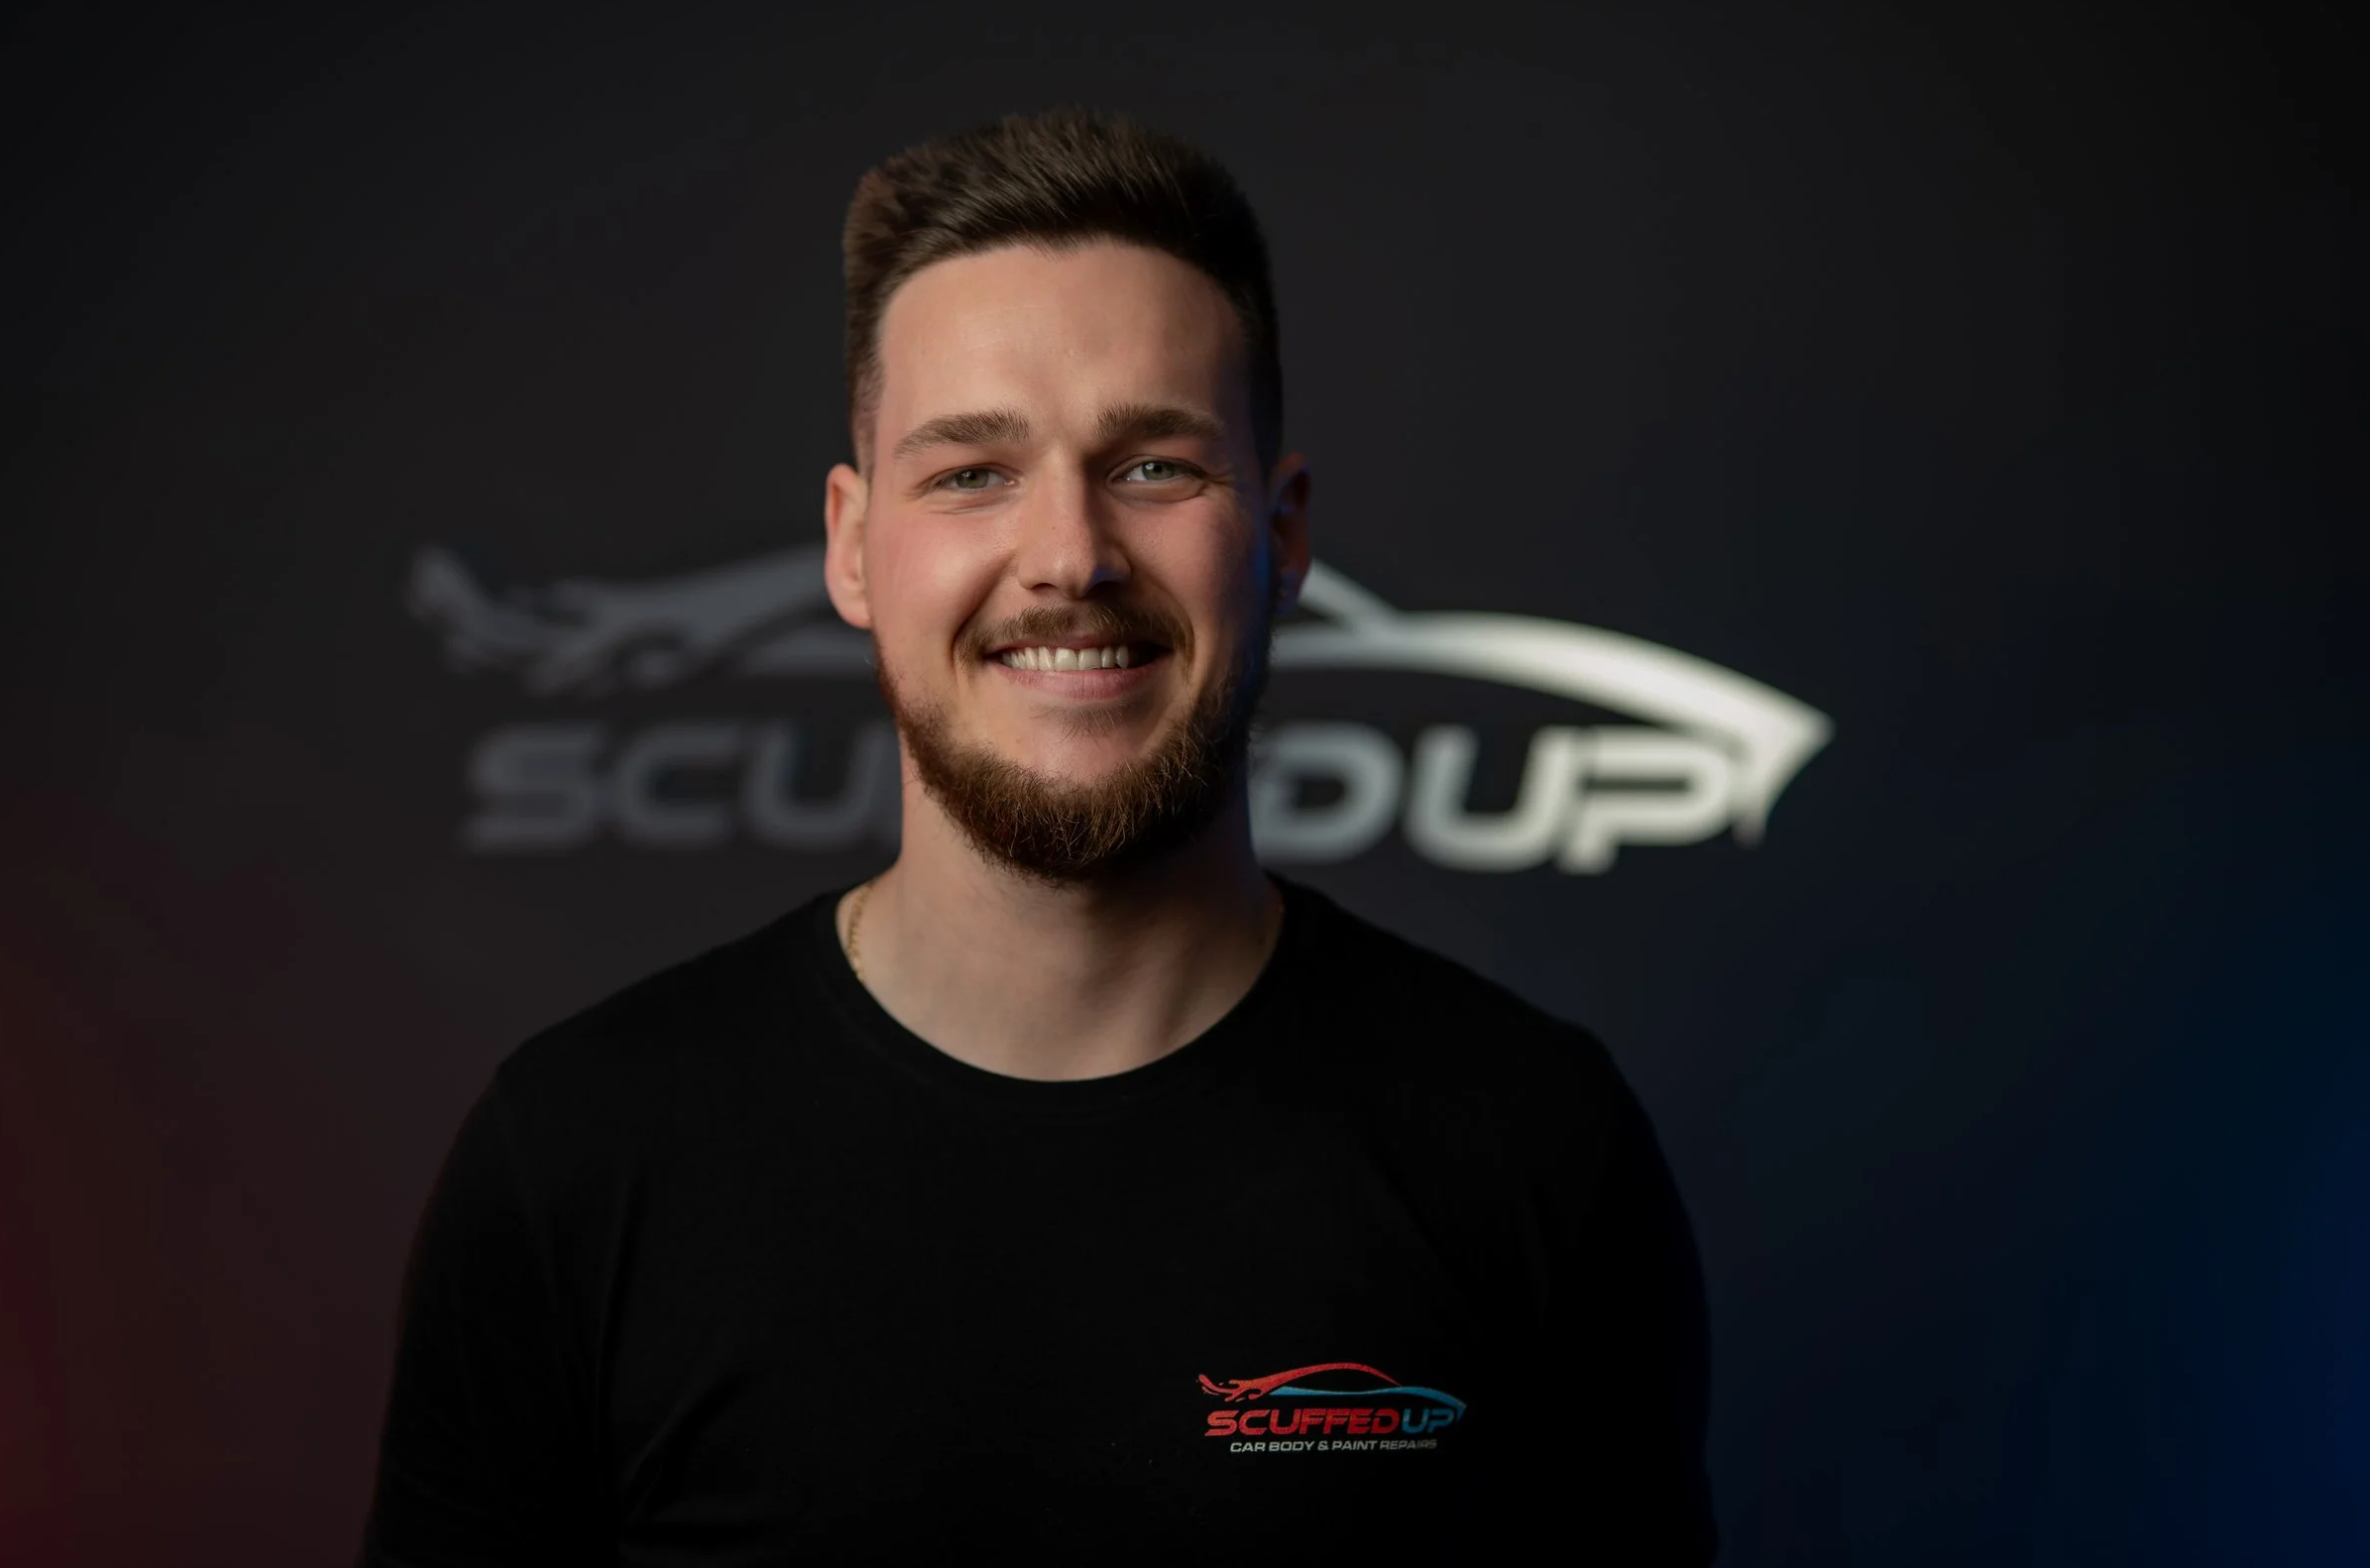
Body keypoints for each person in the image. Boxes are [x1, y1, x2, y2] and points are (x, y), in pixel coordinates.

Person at [360, 107, 1717, 1565]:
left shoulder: (1529, 1143)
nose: (1068, 554)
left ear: (1285, 529)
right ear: (851, 542)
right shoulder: (576, 1158)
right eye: (969, 472)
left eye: (1154, 465)